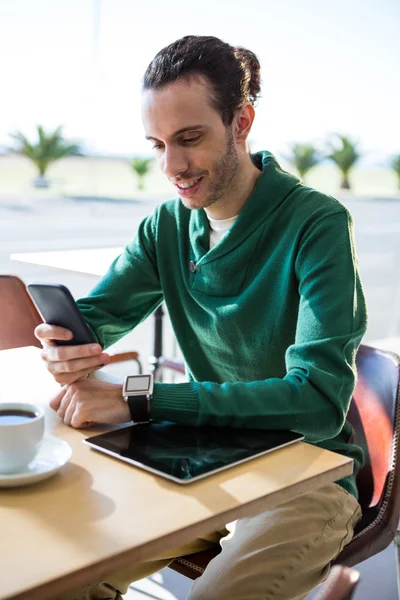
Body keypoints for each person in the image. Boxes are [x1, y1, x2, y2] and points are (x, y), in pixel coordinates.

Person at [36, 35, 367, 600]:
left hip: (308, 471)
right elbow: (101, 315)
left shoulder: (316, 223)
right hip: (202, 452)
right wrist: (65, 339)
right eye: (157, 144)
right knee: (55, 577)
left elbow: (316, 399)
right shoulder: (165, 227)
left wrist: (139, 398)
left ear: (241, 121)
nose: (173, 165)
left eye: (190, 139)